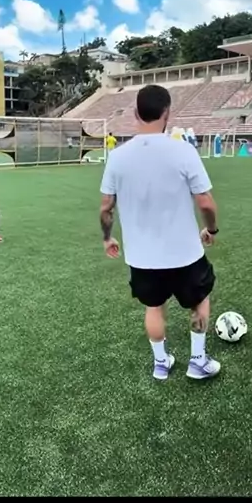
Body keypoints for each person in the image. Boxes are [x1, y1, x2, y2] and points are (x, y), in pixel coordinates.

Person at [99, 84, 221, 382]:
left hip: (142, 256)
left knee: (154, 307)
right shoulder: (183, 150)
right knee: (199, 300)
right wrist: (211, 228)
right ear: (167, 113)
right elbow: (205, 201)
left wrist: (107, 237)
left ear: (135, 112)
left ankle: (161, 363)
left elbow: (106, 207)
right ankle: (197, 361)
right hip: (185, 252)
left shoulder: (117, 156)